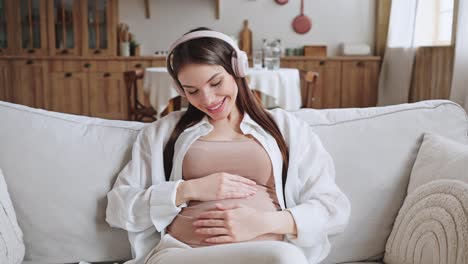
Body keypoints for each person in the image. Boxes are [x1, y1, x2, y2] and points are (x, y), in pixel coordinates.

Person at [106, 27, 351, 264]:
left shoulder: (287, 128)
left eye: (215, 83)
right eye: (192, 91)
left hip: (267, 253)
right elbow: (119, 207)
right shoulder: (163, 132)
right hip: (183, 255)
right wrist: (188, 190)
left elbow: (333, 208)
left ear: (237, 70)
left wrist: (263, 223)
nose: (207, 100)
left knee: (286, 258)